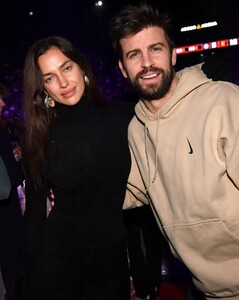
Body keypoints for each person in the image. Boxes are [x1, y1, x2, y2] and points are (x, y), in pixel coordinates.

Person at [109, 3, 239, 300]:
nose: (147, 63)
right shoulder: (136, 127)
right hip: (204, 287)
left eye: (155, 49)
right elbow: (134, 190)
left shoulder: (223, 101)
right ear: (122, 67)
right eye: (134, 55)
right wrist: (74, 191)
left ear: (173, 54)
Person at [14, 36, 135, 300]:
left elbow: (169, 105)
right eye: (49, 77)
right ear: (43, 88)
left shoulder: (124, 117)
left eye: (66, 68)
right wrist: (23, 276)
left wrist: (202, 77)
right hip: (58, 255)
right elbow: (34, 216)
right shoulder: (40, 137)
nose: (64, 83)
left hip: (111, 252)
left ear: (81, 66)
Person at [0, 84, 24, 300]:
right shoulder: (0, 133)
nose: (3, 103)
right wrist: (21, 161)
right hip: (6, 220)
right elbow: (12, 179)